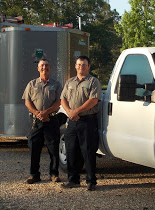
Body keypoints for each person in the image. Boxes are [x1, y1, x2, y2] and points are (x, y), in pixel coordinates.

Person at [60, 55, 101, 191]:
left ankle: (91, 181)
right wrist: (70, 112)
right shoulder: (70, 82)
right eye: (78, 64)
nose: (81, 67)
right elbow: (63, 99)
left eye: (84, 64)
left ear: (88, 67)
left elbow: (93, 100)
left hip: (87, 121)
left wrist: (76, 111)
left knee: (88, 151)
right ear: (75, 66)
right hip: (72, 121)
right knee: (71, 150)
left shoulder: (93, 81)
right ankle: (73, 180)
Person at [22, 59, 62, 184]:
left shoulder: (56, 84)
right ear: (38, 69)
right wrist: (37, 113)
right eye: (42, 66)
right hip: (36, 120)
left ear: (50, 68)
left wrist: (47, 112)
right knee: (34, 148)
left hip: (51, 119)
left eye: (46, 65)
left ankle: (54, 174)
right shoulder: (32, 84)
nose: (44, 67)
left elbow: (59, 101)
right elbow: (27, 101)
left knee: (53, 148)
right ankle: (34, 175)